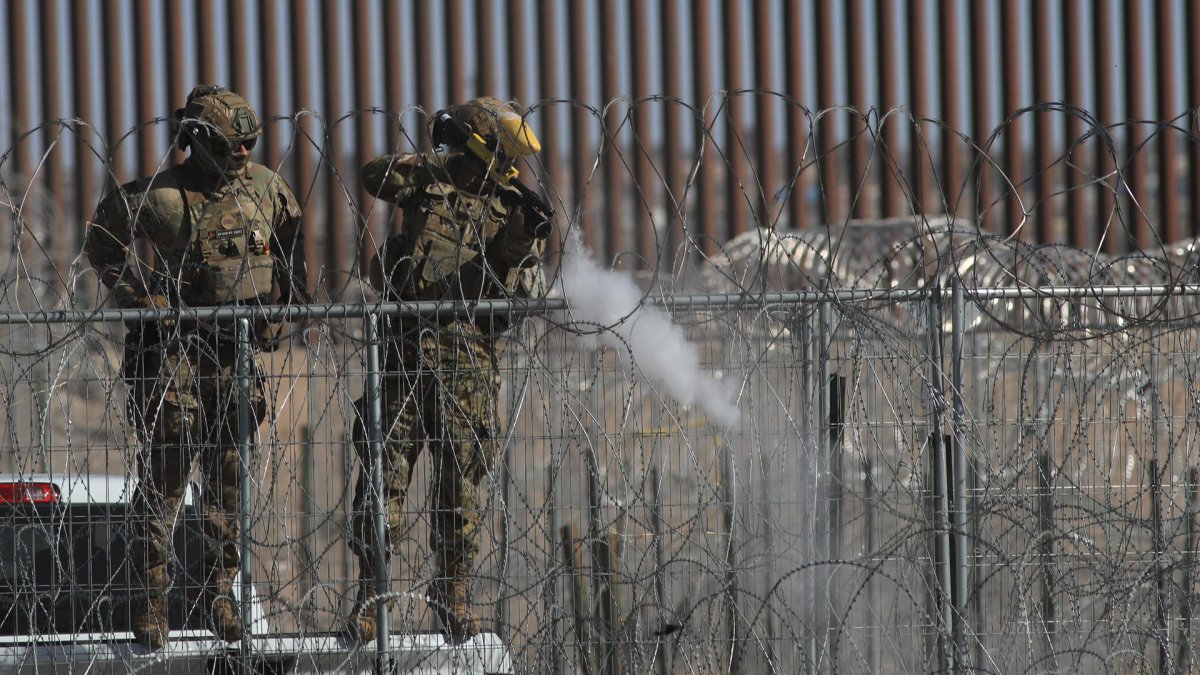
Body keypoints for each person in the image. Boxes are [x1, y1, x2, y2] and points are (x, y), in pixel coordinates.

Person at [85, 85, 308, 650]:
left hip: (235, 356)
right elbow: (103, 238)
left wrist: (284, 309)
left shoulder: (265, 189)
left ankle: (219, 593)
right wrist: (143, 299)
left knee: (229, 482)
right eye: (233, 145)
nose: (242, 155)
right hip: (177, 356)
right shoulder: (163, 199)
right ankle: (153, 597)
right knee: (165, 477)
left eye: (249, 146)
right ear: (200, 141)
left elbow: (292, 242)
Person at [347, 96, 551, 644]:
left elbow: (520, 294)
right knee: (382, 479)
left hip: (468, 361)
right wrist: (439, 161)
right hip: (404, 354)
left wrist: (518, 240)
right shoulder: (427, 182)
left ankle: (452, 591)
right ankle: (370, 595)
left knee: (460, 487)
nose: (509, 168)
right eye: (500, 155)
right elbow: (373, 176)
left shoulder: (514, 209)